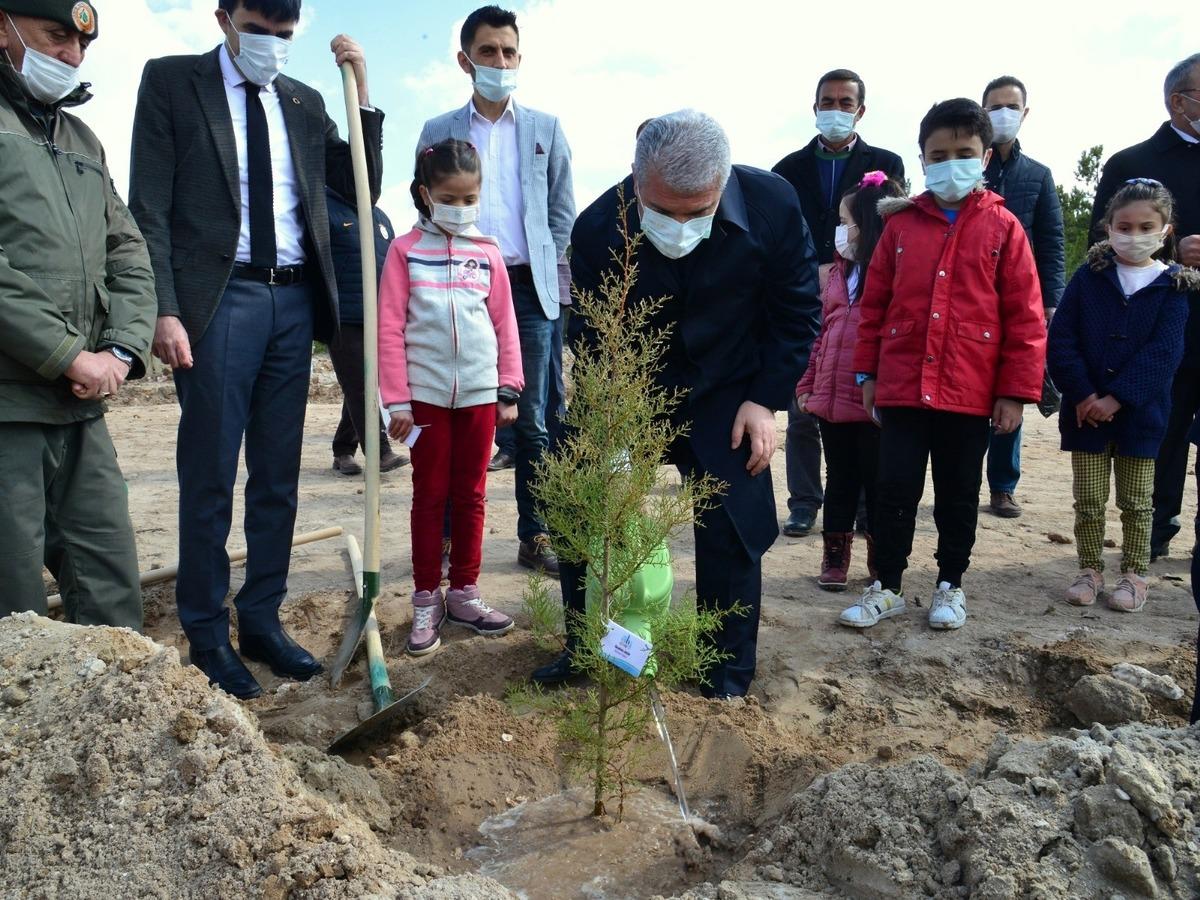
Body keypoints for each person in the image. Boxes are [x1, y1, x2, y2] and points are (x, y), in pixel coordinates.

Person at [129, 0, 383, 700]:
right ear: (223, 17)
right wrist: (164, 307)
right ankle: (207, 632)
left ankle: (263, 618)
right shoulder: (172, 82)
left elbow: (359, 185)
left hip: (295, 301)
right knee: (209, 473)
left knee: (278, 475)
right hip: (221, 301)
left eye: (283, 33)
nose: (270, 43)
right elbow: (148, 203)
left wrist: (361, 96)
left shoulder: (302, 100)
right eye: (258, 28)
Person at [535, 109, 821, 698]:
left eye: (699, 212)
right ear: (636, 181)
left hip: (730, 391)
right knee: (582, 500)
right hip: (631, 390)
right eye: (663, 212)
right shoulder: (597, 228)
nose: (681, 225)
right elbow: (591, 339)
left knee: (733, 520)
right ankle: (590, 646)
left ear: (723, 184)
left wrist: (765, 400)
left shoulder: (772, 205)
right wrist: (610, 434)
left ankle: (725, 667)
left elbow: (797, 314)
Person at [842, 98, 1045, 632]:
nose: (950, 162)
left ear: (983, 158)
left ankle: (950, 584)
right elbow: (875, 307)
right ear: (923, 159)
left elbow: (1024, 318)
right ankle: (886, 584)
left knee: (959, 493)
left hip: (969, 389)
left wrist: (1014, 392)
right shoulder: (901, 227)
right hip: (903, 387)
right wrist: (868, 374)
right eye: (938, 154)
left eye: (963, 153)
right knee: (894, 490)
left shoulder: (1004, 228)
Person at [0, 0, 155, 628]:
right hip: (9, 406)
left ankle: (123, 723)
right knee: (14, 607)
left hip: (80, 408)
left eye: (81, 46)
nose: (71, 55)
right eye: (55, 36)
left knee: (111, 583)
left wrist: (120, 348)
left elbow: (129, 250)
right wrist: (67, 353)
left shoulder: (82, 139)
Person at [416, 5, 575, 575]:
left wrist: (552, 276)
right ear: (466, 60)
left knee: (531, 418)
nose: (500, 62)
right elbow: (426, 204)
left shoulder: (545, 129)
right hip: (457, 285)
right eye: (488, 52)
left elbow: (561, 212)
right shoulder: (439, 132)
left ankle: (535, 534)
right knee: (458, 409)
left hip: (528, 289)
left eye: (508, 52)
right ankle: (451, 540)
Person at [379, 139, 523, 656]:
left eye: (470, 198)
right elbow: (390, 329)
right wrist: (396, 402)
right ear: (425, 193)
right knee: (430, 495)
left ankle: (464, 592)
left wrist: (509, 388)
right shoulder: (404, 252)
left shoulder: (487, 253)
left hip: (482, 396)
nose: (461, 208)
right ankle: (425, 598)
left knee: (472, 494)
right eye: (450, 197)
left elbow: (505, 322)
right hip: (426, 400)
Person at [1048, 180, 1194, 611]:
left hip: (1140, 416)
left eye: (1145, 226)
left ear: (1165, 230)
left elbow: (1165, 353)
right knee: (1089, 500)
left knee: (1137, 501)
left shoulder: (1173, 286)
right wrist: (1082, 393)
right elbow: (1062, 340)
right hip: (1084, 414)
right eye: (1124, 226)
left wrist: (1116, 397)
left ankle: (1135, 573)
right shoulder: (1088, 278)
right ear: (1108, 228)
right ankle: (1090, 568)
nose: (1134, 235)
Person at [772, 68, 905, 538]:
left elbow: (891, 229)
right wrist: (813, 270)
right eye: (827, 101)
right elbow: (778, 236)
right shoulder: (787, 170)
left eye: (845, 102)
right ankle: (805, 501)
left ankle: (866, 508)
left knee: (865, 413)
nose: (836, 109)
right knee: (803, 405)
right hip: (805, 298)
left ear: (860, 110)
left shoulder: (885, 164)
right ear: (815, 108)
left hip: (865, 298)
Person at [1090, 53, 1200, 561]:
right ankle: (1155, 529)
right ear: (1179, 101)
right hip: (1156, 324)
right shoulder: (1132, 164)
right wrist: (1169, 253)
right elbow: (1100, 243)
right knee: (1165, 425)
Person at [796, 171, 904, 590]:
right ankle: (835, 557)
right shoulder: (837, 276)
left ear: (871, 225)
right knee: (839, 479)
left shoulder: (894, 276)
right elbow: (819, 335)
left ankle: (880, 558)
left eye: (847, 223)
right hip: (832, 398)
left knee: (879, 483)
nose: (840, 232)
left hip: (873, 400)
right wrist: (806, 383)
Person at [980, 75, 1066, 519]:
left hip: (1019, 299)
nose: (1002, 115)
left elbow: (1052, 242)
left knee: (1011, 390)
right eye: (994, 106)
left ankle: (1003, 486)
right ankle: (959, 477)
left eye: (1010, 106)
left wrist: (1053, 302)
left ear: (1025, 112)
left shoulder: (1038, 175)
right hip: (974, 296)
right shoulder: (968, 167)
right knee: (970, 393)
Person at [325, 187, 406, 477]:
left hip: (380, 315)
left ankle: (343, 449)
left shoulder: (380, 216)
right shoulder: (324, 207)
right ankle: (380, 452)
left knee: (364, 383)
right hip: (343, 316)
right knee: (360, 384)